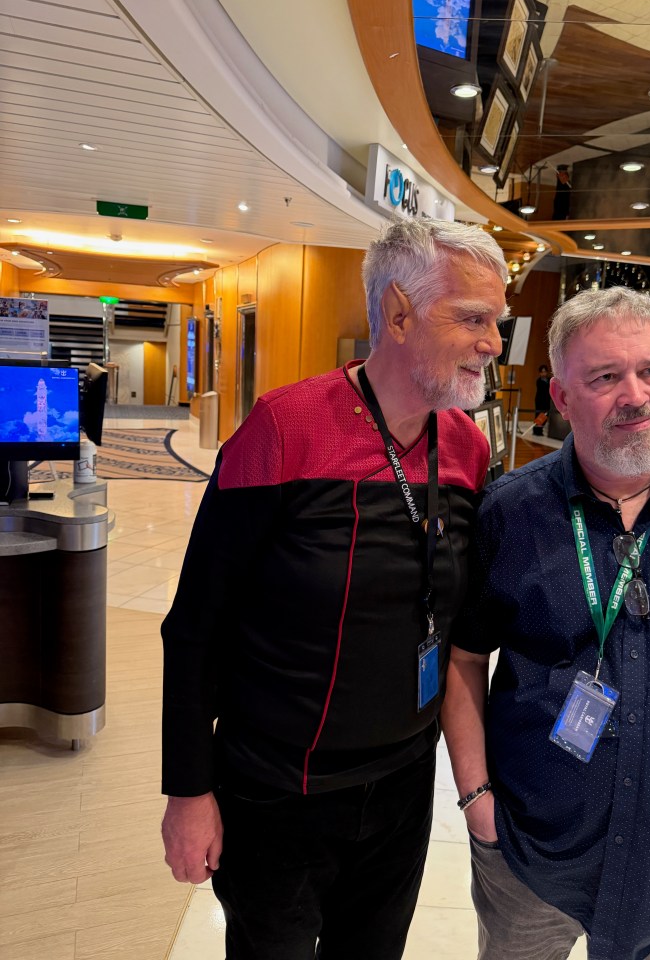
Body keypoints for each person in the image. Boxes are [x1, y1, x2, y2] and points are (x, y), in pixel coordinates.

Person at [160, 217, 509, 959]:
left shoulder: (470, 448)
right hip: (277, 791)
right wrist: (189, 793)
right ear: (398, 313)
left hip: (402, 789)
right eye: (473, 318)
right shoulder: (284, 429)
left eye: (497, 322)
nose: (495, 343)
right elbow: (196, 625)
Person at [441, 286, 650, 960]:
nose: (636, 395)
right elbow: (464, 657)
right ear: (560, 398)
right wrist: (477, 800)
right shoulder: (510, 513)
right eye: (604, 377)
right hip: (530, 858)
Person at [533, 363, 551, 435]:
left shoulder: (549, 380)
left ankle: (540, 429)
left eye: (545, 371)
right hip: (540, 401)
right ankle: (537, 431)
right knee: (539, 415)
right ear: (540, 373)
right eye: (542, 372)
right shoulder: (539, 381)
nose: (543, 373)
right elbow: (544, 390)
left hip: (547, 401)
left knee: (545, 416)